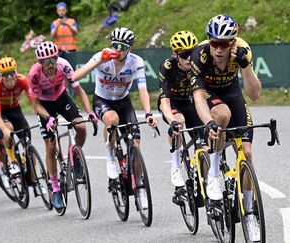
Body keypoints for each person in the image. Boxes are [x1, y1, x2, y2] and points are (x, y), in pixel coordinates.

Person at [190, 15, 261, 239]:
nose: (219, 49)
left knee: (247, 153)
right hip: (209, 96)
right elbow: (199, 98)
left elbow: (255, 94)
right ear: (208, 41)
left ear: (233, 42)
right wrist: (207, 122)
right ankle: (213, 173)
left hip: (232, 94)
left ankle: (249, 213)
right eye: (214, 43)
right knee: (221, 115)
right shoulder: (200, 55)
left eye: (224, 43)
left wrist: (246, 66)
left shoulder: (242, 50)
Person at [72, 27, 158, 185]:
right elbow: (74, 77)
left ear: (129, 48)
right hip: (102, 100)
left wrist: (148, 113)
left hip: (123, 102)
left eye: (123, 47)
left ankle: (139, 186)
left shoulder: (136, 62)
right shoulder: (101, 57)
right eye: (115, 45)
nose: (118, 49)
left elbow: (143, 89)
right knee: (112, 119)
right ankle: (110, 157)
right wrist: (99, 61)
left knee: (136, 146)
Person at [28, 41, 97, 209]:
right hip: (45, 106)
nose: (51, 64)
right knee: (50, 147)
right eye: (46, 61)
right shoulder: (35, 74)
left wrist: (90, 112)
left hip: (61, 98)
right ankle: (56, 188)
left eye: (53, 59)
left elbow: (79, 90)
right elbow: (35, 104)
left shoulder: (64, 65)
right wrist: (48, 118)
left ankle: (75, 157)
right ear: (40, 62)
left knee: (80, 126)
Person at [157, 31, 203, 191]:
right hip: (172, 103)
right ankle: (176, 166)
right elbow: (164, 100)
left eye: (192, 53)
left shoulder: (200, 63)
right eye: (184, 55)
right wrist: (172, 121)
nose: (189, 58)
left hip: (191, 101)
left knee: (203, 141)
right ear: (175, 55)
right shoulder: (167, 66)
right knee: (180, 121)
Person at [0, 57, 31, 176]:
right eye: (5, 74)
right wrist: (4, 130)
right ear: (0, 75)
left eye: (12, 73)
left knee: (27, 141)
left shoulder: (23, 80)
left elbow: (34, 102)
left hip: (15, 109)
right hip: (1, 112)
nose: (9, 77)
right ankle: (12, 161)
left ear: (16, 71)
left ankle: (35, 184)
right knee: (9, 129)